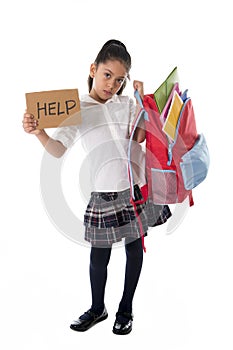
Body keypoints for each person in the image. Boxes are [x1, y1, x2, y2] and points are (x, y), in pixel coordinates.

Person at [22, 39, 171, 335]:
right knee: (98, 256)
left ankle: (125, 309)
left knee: (134, 250)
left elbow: (140, 138)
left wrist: (142, 104)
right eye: (107, 75)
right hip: (103, 192)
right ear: (93, 69)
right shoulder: (76, 107)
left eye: (119, 80)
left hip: (135, 187)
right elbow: (58, 149)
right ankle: (97, 308)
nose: (112, 85)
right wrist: (39, 132)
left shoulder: (126, 103)